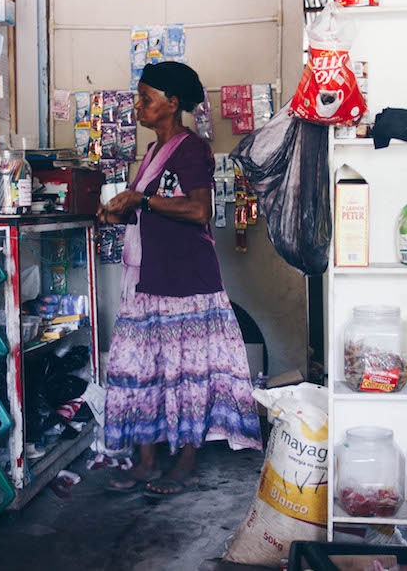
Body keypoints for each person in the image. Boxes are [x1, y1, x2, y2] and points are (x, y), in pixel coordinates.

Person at [98, 61, 262, 498]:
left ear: (172, 104)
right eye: (138, 98)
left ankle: (184, 464)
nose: (137, 106)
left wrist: (141, 200)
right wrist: (122, 209)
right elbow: (148, 207)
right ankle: (147, 461)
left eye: (146, 99)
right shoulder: (152, 153)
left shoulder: (191, 149)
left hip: (187, 282)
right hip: (150, 279)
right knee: (140, 369)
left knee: (188, 373)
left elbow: (199, 211)